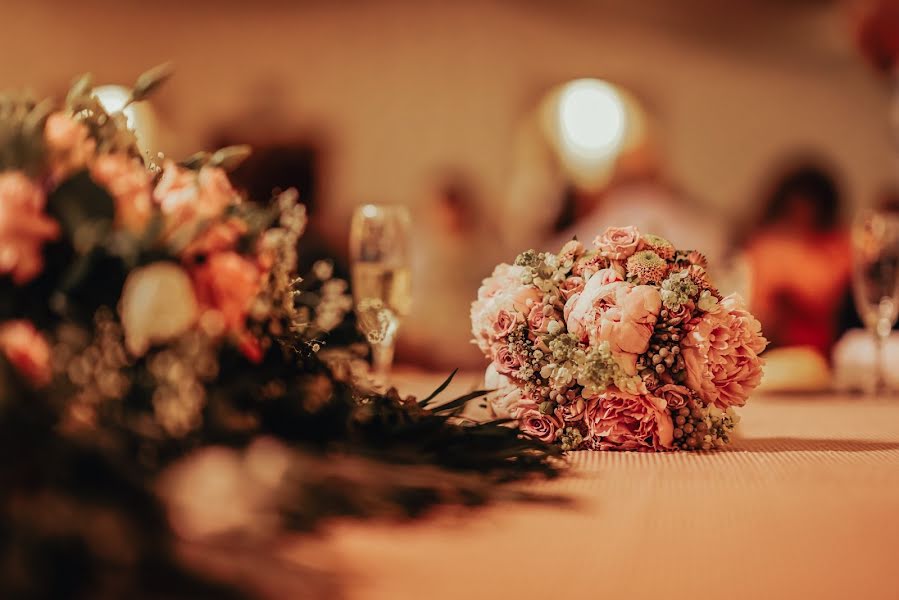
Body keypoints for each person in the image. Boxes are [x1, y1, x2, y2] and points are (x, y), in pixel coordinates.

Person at [743, 162, 851, 357]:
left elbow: (823, 292)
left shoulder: (837, 245)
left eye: (810, 208)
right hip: (775, 350)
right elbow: (759, 310)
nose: (802, 215)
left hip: (830, 352)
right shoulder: (766, 244)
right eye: (794, 208)